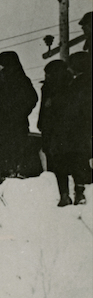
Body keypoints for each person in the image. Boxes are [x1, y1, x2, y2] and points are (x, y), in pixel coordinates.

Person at [0, 51, 38, 179]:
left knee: (5, 152)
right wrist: (21, 112)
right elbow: (32, 98)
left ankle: (9, 173)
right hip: (18, 122)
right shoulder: (23, 79)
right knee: (18, 149)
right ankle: (18, 171)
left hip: (0, 124)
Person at [37, 60, 75, 206]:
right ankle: (68, 193)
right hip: (63, 132)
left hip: (55, 132)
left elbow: (44, 109)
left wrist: (41, 123)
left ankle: (63, 194)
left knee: (57, 163)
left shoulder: (53, 88)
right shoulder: (69, 86)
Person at [59, 52, 92, 205]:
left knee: (77, 159)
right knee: (81, 159)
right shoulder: (84, 82)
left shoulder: (78, 84)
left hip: (77, 128)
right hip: (84, 128)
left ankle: (80, 193)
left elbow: (73, 108)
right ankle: (80, 191)